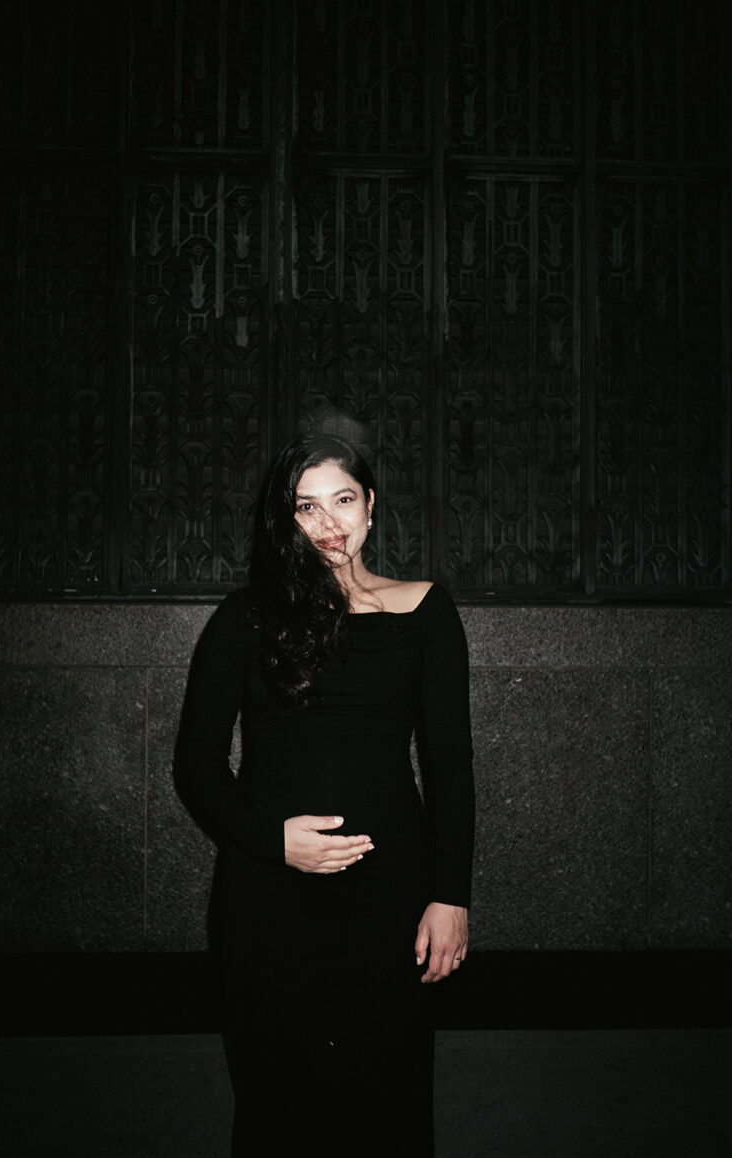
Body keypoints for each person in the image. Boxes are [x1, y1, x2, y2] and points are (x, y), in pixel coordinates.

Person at [173, 433, 474, 1157]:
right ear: (285, 519)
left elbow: (449, 763)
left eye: (342, 499)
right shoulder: (244, 617)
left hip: (390, 893)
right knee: (278, 1104)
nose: (329, 522)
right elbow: (197, 763)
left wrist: (451, 897)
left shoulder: (426, 610)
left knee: (388, 1100)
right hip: (266, 893)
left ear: (371, 505)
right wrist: (271, 840)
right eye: (306, 507)